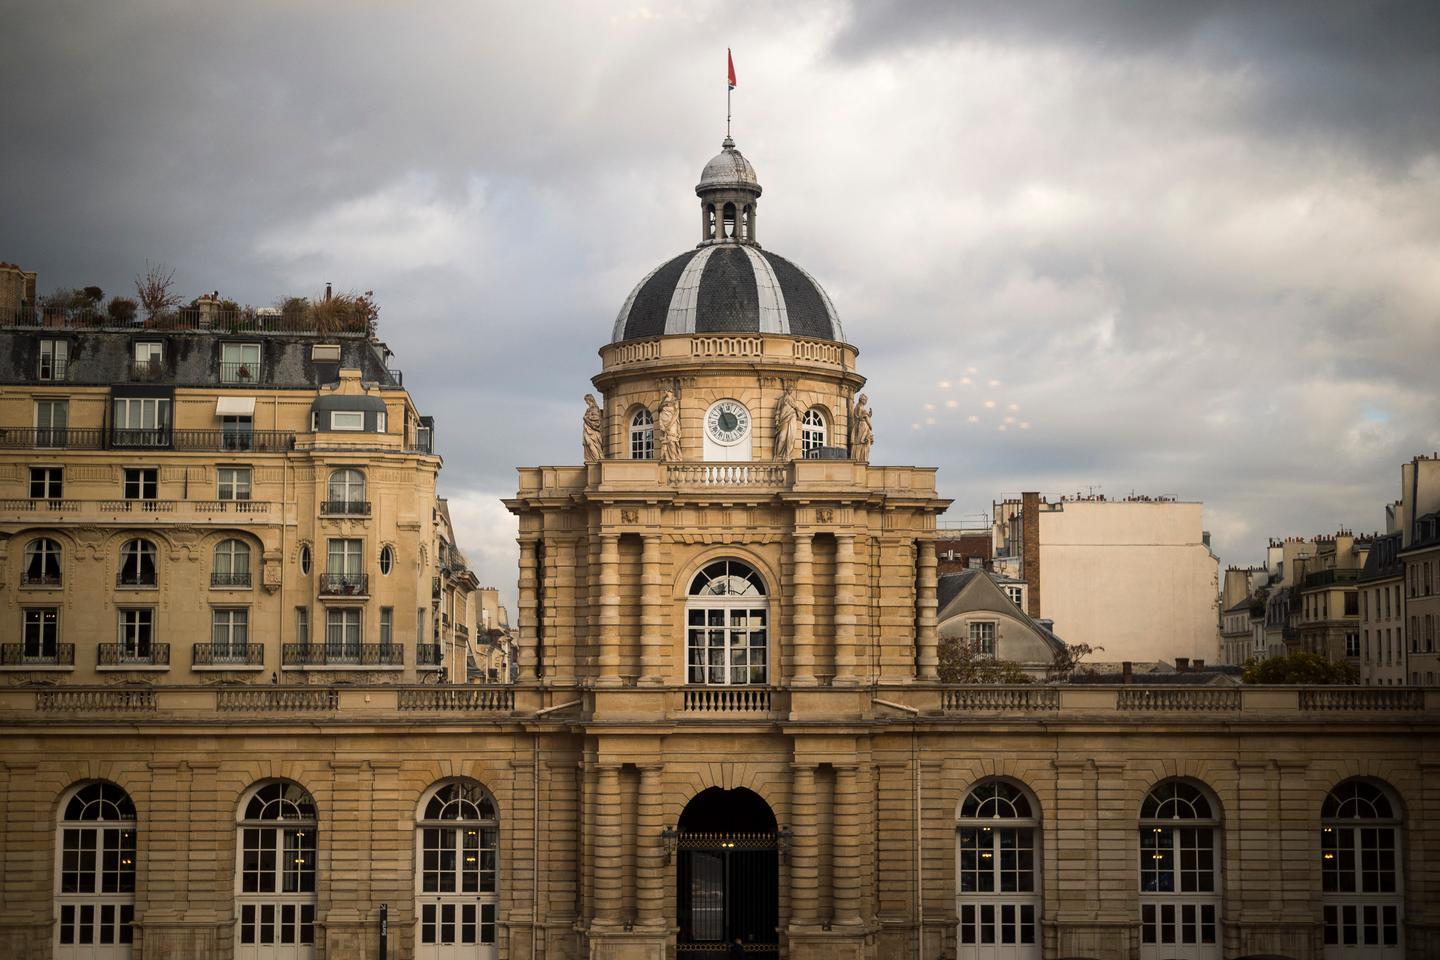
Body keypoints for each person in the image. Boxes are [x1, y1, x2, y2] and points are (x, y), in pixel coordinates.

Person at [582, 394, 604, 462]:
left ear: (590, 400)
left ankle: (596, 459)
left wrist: (587, 418)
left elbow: (597, 419)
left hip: (593, 431)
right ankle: (592, 459)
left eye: (587, 400)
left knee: (591, 444)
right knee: (588, 444)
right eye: (586, 401)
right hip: (587, 429)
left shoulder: (594, 408)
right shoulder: (589, 409)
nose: (586, 402)